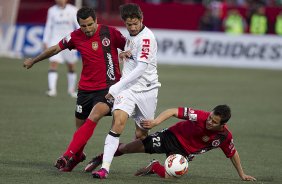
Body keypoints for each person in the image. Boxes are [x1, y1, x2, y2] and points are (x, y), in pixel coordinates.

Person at [23, 7, 126, 171]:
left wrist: (127, 54)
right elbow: (55, 48)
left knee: (95, 115)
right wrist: (34, 60)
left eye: (90, 25)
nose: (87, 29)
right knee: (80, 128)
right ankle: (78, 155)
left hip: (108, 88)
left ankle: (67, 156)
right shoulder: (75, 36)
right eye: (83, 26)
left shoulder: (110, 32)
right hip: (85, 89)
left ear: (96, 21)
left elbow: (131, 46)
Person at [88, 105, 256, 181]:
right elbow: (172, 111)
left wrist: (241, 174)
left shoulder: (224, 137)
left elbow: (232, 153)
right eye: (210, 117)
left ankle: (154, 166)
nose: (209, 122)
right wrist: (155, 123)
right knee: (126, 148)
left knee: (170, 176)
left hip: (182, 154)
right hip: (170, 137)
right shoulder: (200, 116)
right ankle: (102, 158)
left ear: (222, 124)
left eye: (214, 122)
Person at [91, 3, 161, 179]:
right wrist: (123, 53)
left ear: (141, 19)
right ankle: (105, 168)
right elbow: (131, 55)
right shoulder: (131, 35)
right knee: (118, 121)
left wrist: (115, 87)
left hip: (147, 90)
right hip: (128, 89)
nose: (132, 27)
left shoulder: (147, 38)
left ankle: (132, 155)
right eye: (129, 24)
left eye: (135, 23)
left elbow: (140, 68)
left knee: (141, 134)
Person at [43, 0, 80, 98]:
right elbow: (48, 26)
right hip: (55, 41)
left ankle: (71, 90)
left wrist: (79, 40)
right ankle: (52, 89)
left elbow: (78, 26)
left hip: (69, 41)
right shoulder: (52, 10)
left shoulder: (73, 10)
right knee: (53, 63)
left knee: (71, 66)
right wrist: (45, 41)